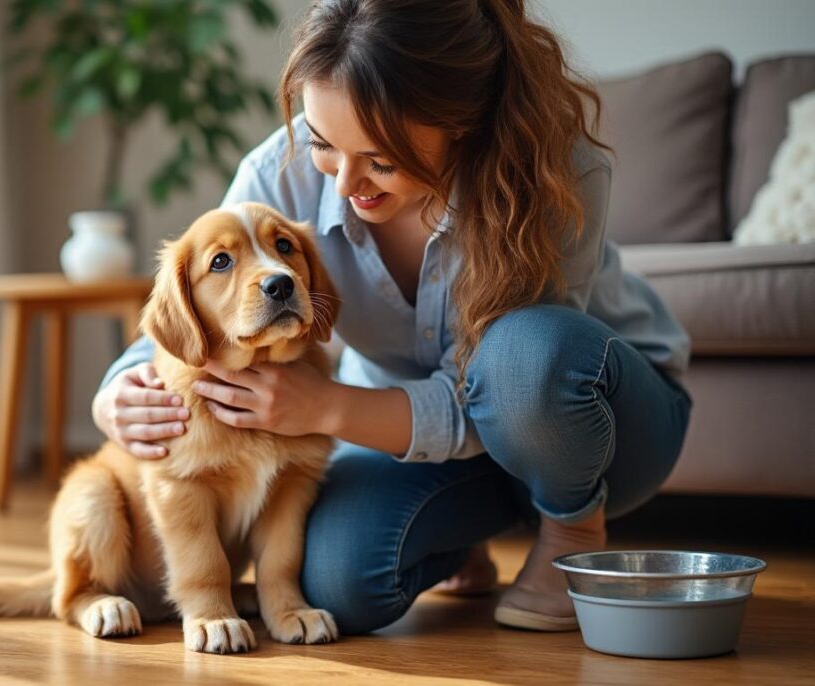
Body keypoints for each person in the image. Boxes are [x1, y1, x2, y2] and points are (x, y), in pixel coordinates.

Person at [91, 0, 691, 634]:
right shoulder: (280, 174)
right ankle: (461, 535)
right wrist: (117, 396)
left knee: (525, 357)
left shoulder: (559, 170)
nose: (346, 182)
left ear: (463, 122)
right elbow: (197, 305)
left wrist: (325, 406)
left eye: (382, 159)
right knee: (341, 583)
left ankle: (572, 530)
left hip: (589, 431)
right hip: (420, 441)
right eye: (325, 144)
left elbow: (515, 389)